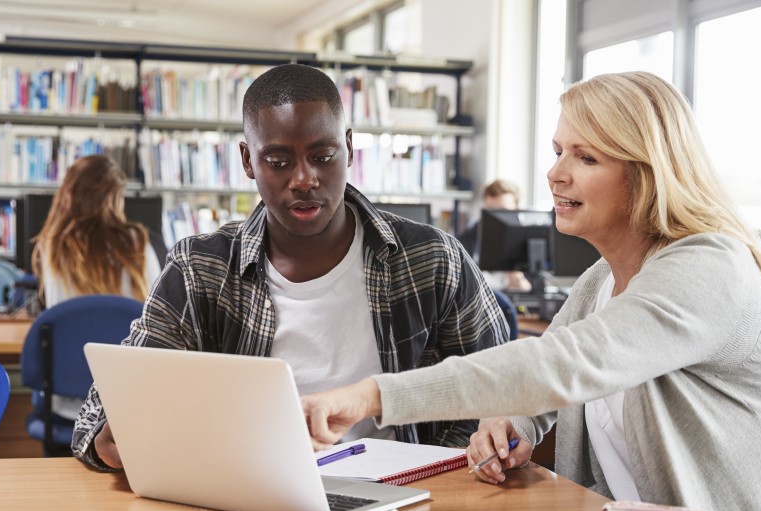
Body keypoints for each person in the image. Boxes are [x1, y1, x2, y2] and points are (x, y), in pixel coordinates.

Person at [302, 71, 761, 511]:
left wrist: (373, 396)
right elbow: (544, 389)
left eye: (586, 158)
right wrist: (513, 425)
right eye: (558, 150)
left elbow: (562, 366)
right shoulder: (600, 282)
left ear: (648, 174)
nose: (555, 173)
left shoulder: (709, 267)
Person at [71, 63, 509, 471]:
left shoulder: (433, 259)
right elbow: (98, 413)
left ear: (350, 148)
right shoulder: (200, 268)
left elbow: (500, 388)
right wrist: (116, 435)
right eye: (278, 163)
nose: (303, 180)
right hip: (246, 491)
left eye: (323, 157)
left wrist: (436, 468)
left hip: (407, 494)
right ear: (247, 161)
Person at [31, 154, 163, 423]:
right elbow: (159, 319)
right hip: (128, 403)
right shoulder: (139, 243)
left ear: (68, 195)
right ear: (115, 198)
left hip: (66, 405)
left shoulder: (52, 247)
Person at [458, 179, 533, 292]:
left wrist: (523, 283)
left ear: (517, 209)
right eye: (491, 211)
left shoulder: (528, 240)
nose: (497, 219)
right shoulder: (467, 239)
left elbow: (538, 283)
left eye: (503, 211)